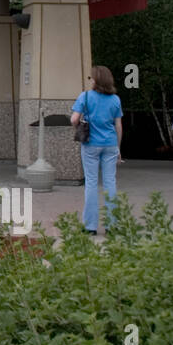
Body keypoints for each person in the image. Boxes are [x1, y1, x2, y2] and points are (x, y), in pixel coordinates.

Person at [71, 65, 124, 236]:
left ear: (96, 80)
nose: (90, 80)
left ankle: (90, 226)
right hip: (110, 144)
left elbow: (74, 119)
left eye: (91, 77)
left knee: (91, 183)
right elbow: (118, 125)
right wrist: (118, 148)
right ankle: (112, 224)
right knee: (110, 183)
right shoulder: (115, 99)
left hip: (91, 144)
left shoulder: (85, 96)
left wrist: (81, 123)